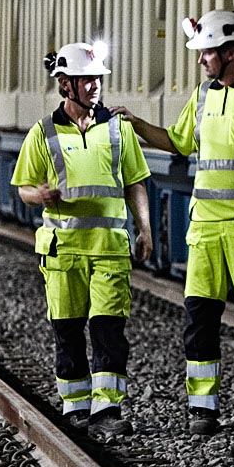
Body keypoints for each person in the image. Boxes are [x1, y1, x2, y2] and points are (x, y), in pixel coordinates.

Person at [114, 10, 234, 436]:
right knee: (200, 319)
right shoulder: (201, 96)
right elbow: (178, 142)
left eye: (206, 53)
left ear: (231, 52)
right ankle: (203, 408)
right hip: (206, 229)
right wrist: (136, 124)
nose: (200, 61)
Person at [12, 41, 152, 439]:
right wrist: (39, 195)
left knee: (109, 329)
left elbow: (135, 183)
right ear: (64, 85)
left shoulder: (119, 129)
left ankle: (107, 408)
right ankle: (75, 406)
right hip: (64, 251)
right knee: (68, 329)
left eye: (97, 79)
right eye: (85, 79)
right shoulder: (43, 133)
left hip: (109, 249)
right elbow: (23, 187)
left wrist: (144, 228)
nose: (94, 86)